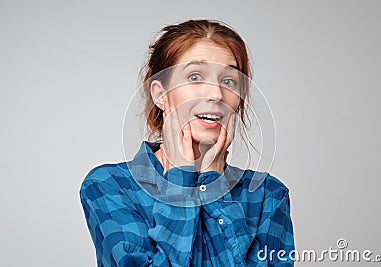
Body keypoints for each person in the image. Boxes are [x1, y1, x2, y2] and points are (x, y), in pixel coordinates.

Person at [80, 19, 295, 266]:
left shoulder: (268, 194)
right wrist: (180, 178)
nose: (216, 94)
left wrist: (213, 182)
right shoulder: (110, 185)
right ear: (161, 95)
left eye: (229, 81)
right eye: (195, 76)